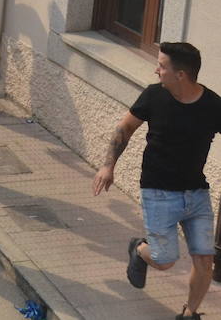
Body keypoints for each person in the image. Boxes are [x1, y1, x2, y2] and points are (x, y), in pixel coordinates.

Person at [92, 42, 221, 320]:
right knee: (164, 260)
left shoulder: (213, 105)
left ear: (181, 75)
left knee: (204, 260)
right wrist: (107, 166)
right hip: (158, 191)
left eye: (162, 66)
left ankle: (190, 313)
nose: (156, 70)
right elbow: (125, 128)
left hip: (196, 193)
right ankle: (140, 251)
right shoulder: (154, 96)